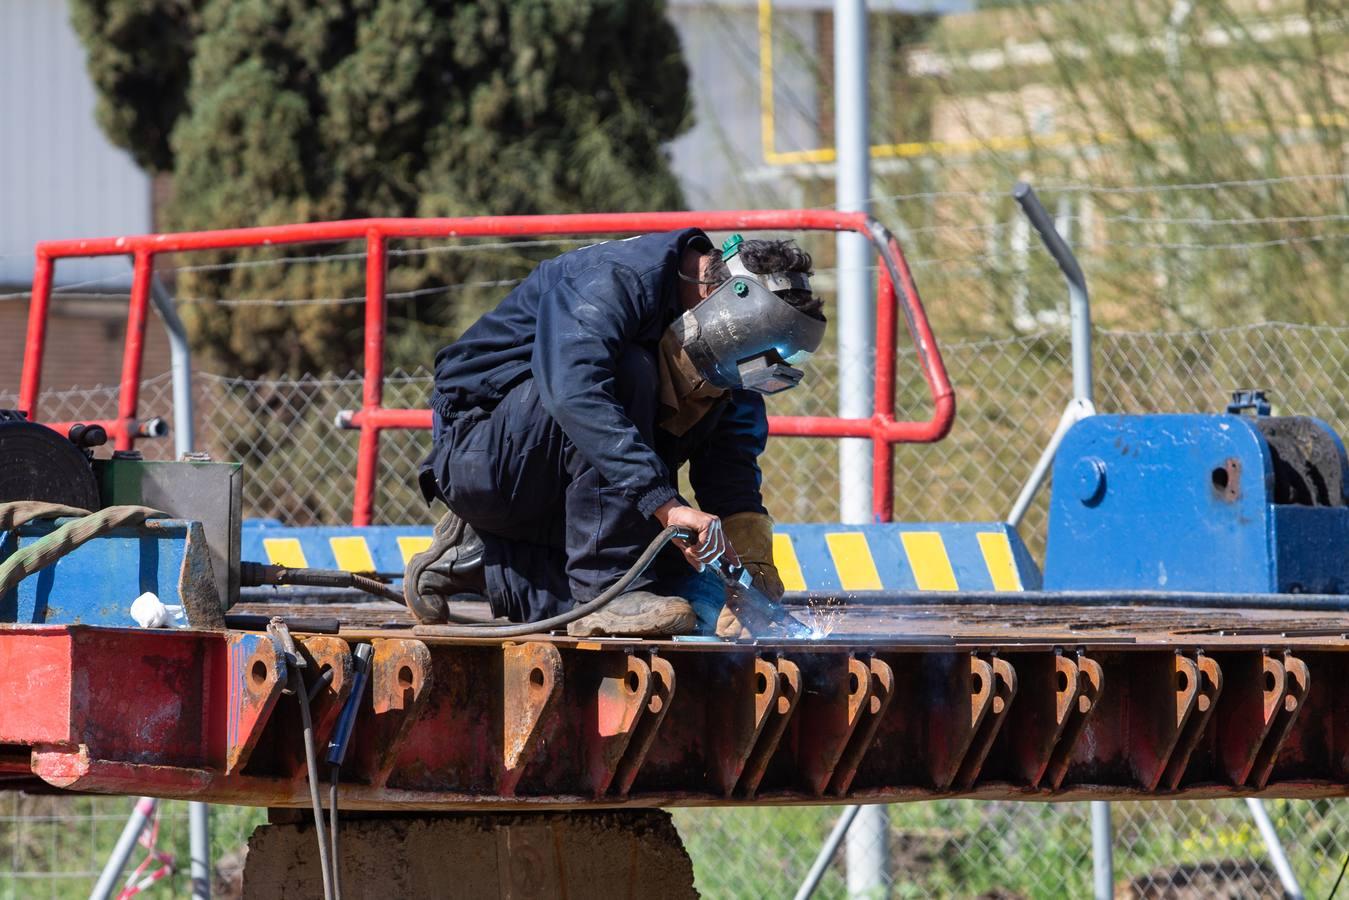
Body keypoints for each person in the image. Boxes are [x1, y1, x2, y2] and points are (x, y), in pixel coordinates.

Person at [406, 229, 826, 637]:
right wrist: (664, 504)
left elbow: (730, 454)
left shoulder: (719, 351)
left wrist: (749, 555)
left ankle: (478, 557)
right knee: (627, 375)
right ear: (724, 303)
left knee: (699, 609)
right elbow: (574, 391)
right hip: (480, 459)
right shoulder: (615, 277)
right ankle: (607, 590)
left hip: (580, 491)